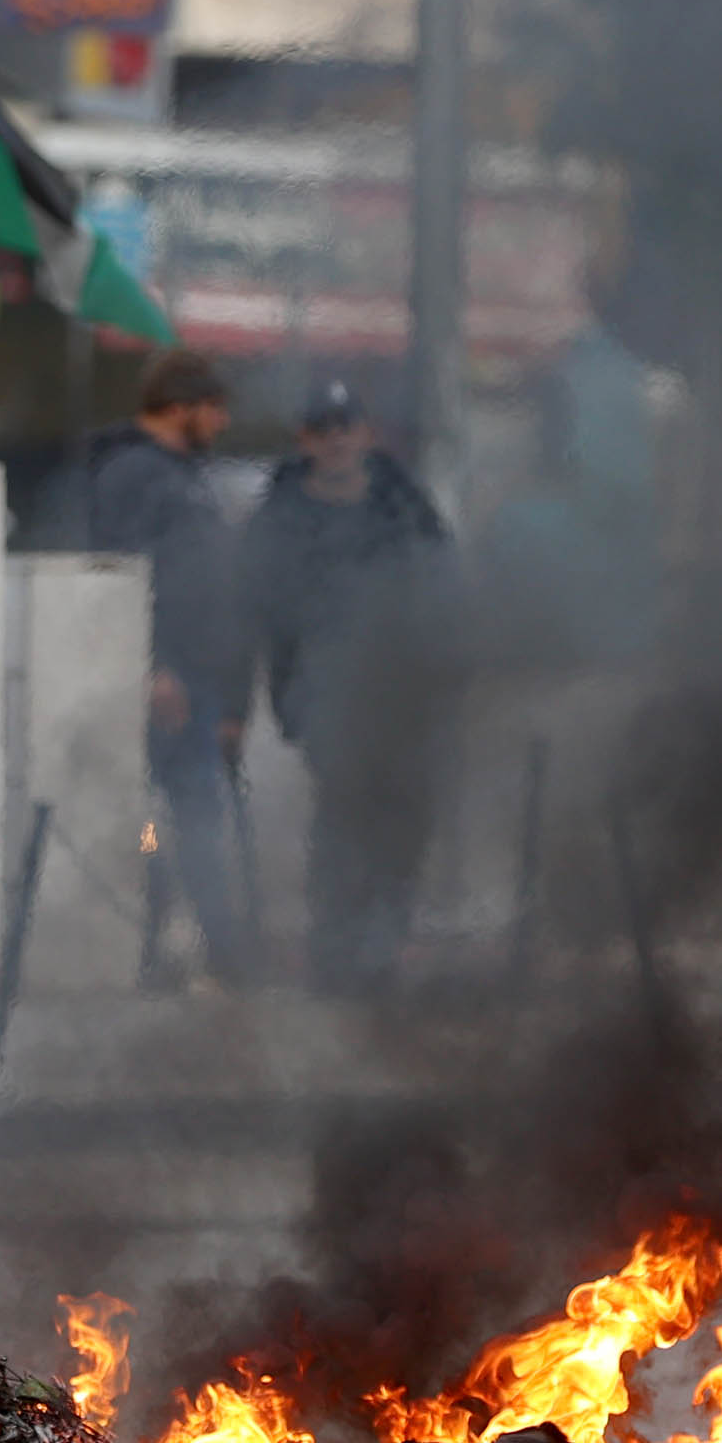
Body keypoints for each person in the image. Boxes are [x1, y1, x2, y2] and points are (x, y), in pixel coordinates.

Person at [243, 377, 455, 996]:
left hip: (404, 691)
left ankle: (382, 947)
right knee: (343, 819)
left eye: (346, 428)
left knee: (404, 819)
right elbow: (257, 611)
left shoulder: (403, 503)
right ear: (305, 440)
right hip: (325, 694)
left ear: (364, 433)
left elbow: (444, 581)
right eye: (322, 430)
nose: (336, 441)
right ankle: (336, 951)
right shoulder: (281, 516)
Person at [84, 348, 253, 986]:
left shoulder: (183, 473)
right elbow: (119, 576)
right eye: (214, 410)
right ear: (180, 407)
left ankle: (214, 942)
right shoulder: (133, 473)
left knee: (198, 812)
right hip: (161, 680)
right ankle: (152, 930)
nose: (223, 423)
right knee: (153, 817)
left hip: (198, 677)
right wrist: (151, 665)